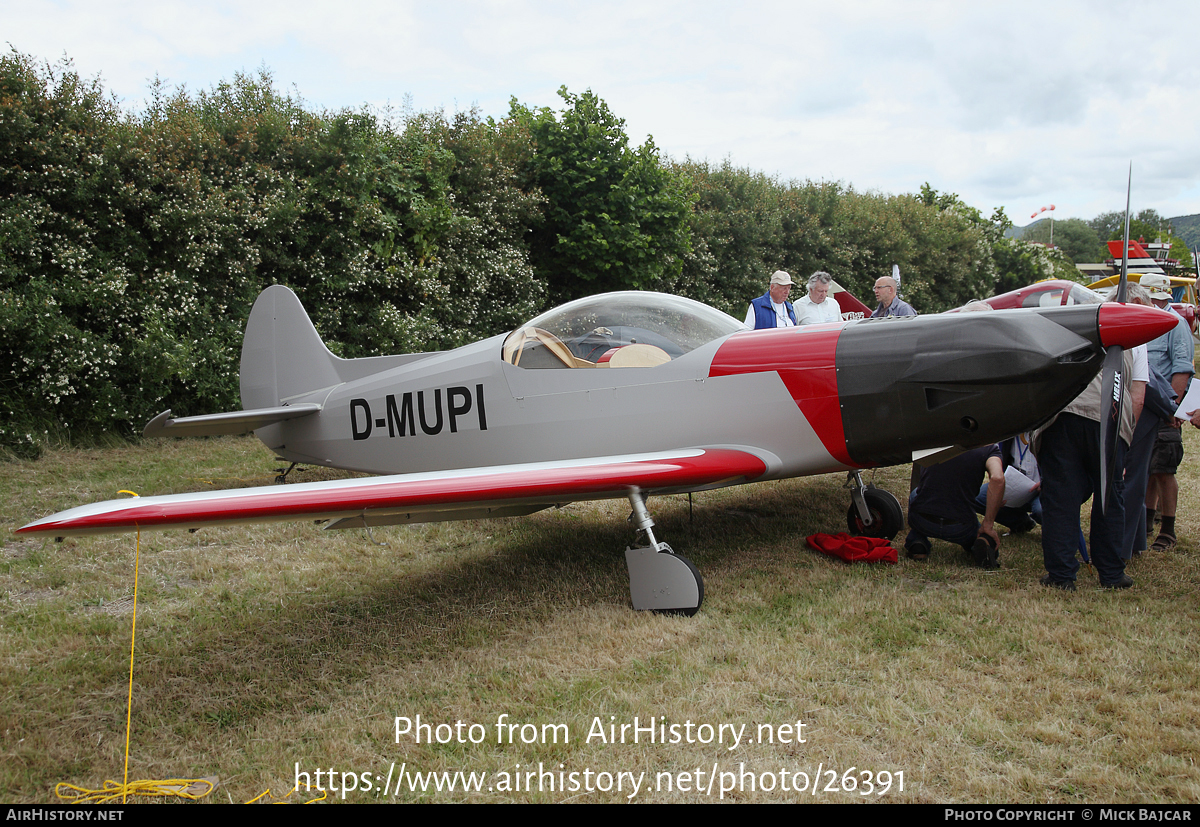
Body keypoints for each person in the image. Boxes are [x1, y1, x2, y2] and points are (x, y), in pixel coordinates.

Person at [1035, 306, 1146, 591]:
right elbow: (1137, 397)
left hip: (1065, 414)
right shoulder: (1138, 340)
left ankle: (1061, 575)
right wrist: (1124, 444)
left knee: (1061, 497)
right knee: (1110, 497)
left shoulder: (1073, 324)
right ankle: (1110, 573)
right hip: (1109, 419)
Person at [1140, 273, 1194, 553]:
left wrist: (1172, 408)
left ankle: (1168, 530)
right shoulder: (1146, 322)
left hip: (1163, 409)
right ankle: (1146, 523)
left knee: (1163, 469)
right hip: (1143, 407)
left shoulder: (1176, 324)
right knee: (1147, 468)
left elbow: (1182, 369)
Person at [905, 444, 1005, 569]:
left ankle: (917, 541)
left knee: (915, 494)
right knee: (985, 540)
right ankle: (981, 544)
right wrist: (988, 524)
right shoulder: (989, 448)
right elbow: (997, 478)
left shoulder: (935, 436)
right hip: (959, 527)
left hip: (923, 520)